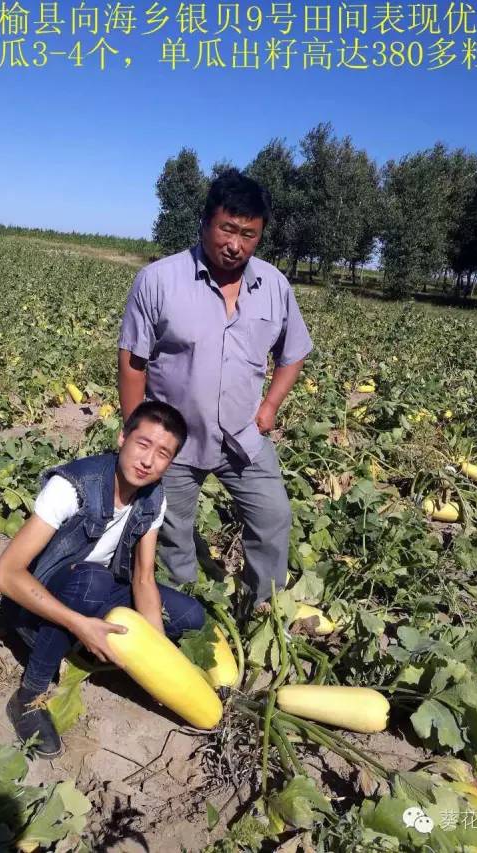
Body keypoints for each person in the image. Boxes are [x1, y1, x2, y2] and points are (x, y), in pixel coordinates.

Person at [118, 169, 313, 616]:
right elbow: (133, 361)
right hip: (175, 440)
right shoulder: (159, 279)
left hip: (243, 436)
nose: (236, 244)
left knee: (273, 517)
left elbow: (294, 351)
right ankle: (182, 610)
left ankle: (261, 608)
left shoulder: (275, 286)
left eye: (249, 234)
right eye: (227, 229)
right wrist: (137, 433)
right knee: (172, 531)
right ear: (205, 222)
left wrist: (269, 407)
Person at [0, 400, 204, 759]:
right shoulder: (72, 486)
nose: (148, 460)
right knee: (93, 581)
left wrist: (156, 656)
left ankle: (90, 643)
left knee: (189, 616)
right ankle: (30, 693)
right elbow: (5, 574)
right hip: (36, 601)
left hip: (94, 590)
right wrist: (80, 625)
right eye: (143, 444)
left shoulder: (154, 498)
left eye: (163, 454)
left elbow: (143, 578)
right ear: (122, 438)